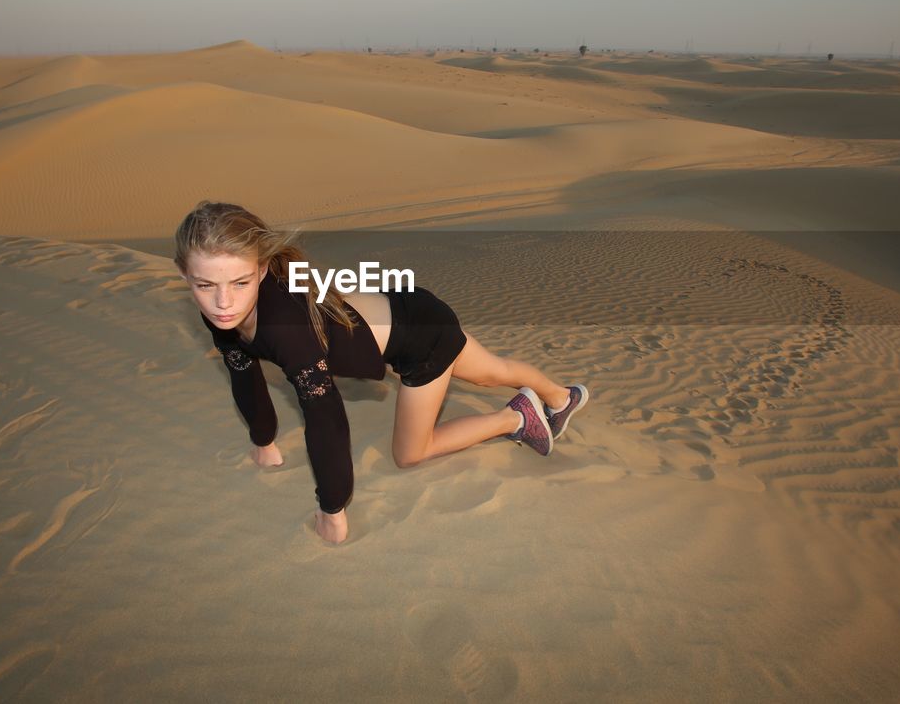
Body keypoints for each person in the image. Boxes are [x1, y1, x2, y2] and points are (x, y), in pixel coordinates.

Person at [175, 201, 589, 544]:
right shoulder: (225, 312)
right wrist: (263, 440)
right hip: (411, 309)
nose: (222, 302)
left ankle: (515, 417)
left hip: (418, 337)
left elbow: (326, 421)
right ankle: (561, 398)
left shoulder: (287, 330)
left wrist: (332, 507)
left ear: (263, 270)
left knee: (411, 453)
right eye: (205, 286)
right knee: (490, 371)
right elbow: (242, 372)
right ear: (185, 276)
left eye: (240, 283)